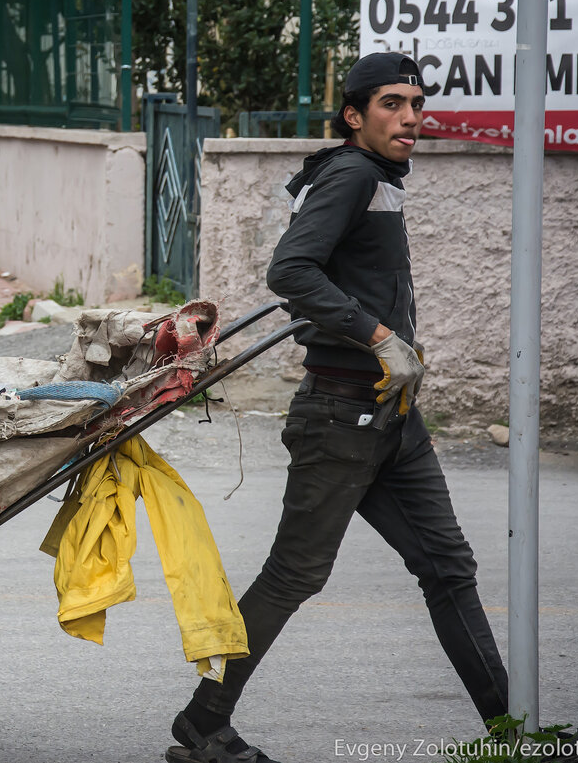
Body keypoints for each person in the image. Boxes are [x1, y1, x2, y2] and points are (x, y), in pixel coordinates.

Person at [166, 52, 506, 763]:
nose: (411, 115)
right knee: (296, 572)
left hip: (390, 418)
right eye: (391, 103)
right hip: (341, 415)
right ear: (354, 115)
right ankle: (204, 722)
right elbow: (291, 270)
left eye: (416, 101)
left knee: (448, 566)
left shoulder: (376, 177)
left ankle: (514, 734)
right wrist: (383, 338)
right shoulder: (352, 172)